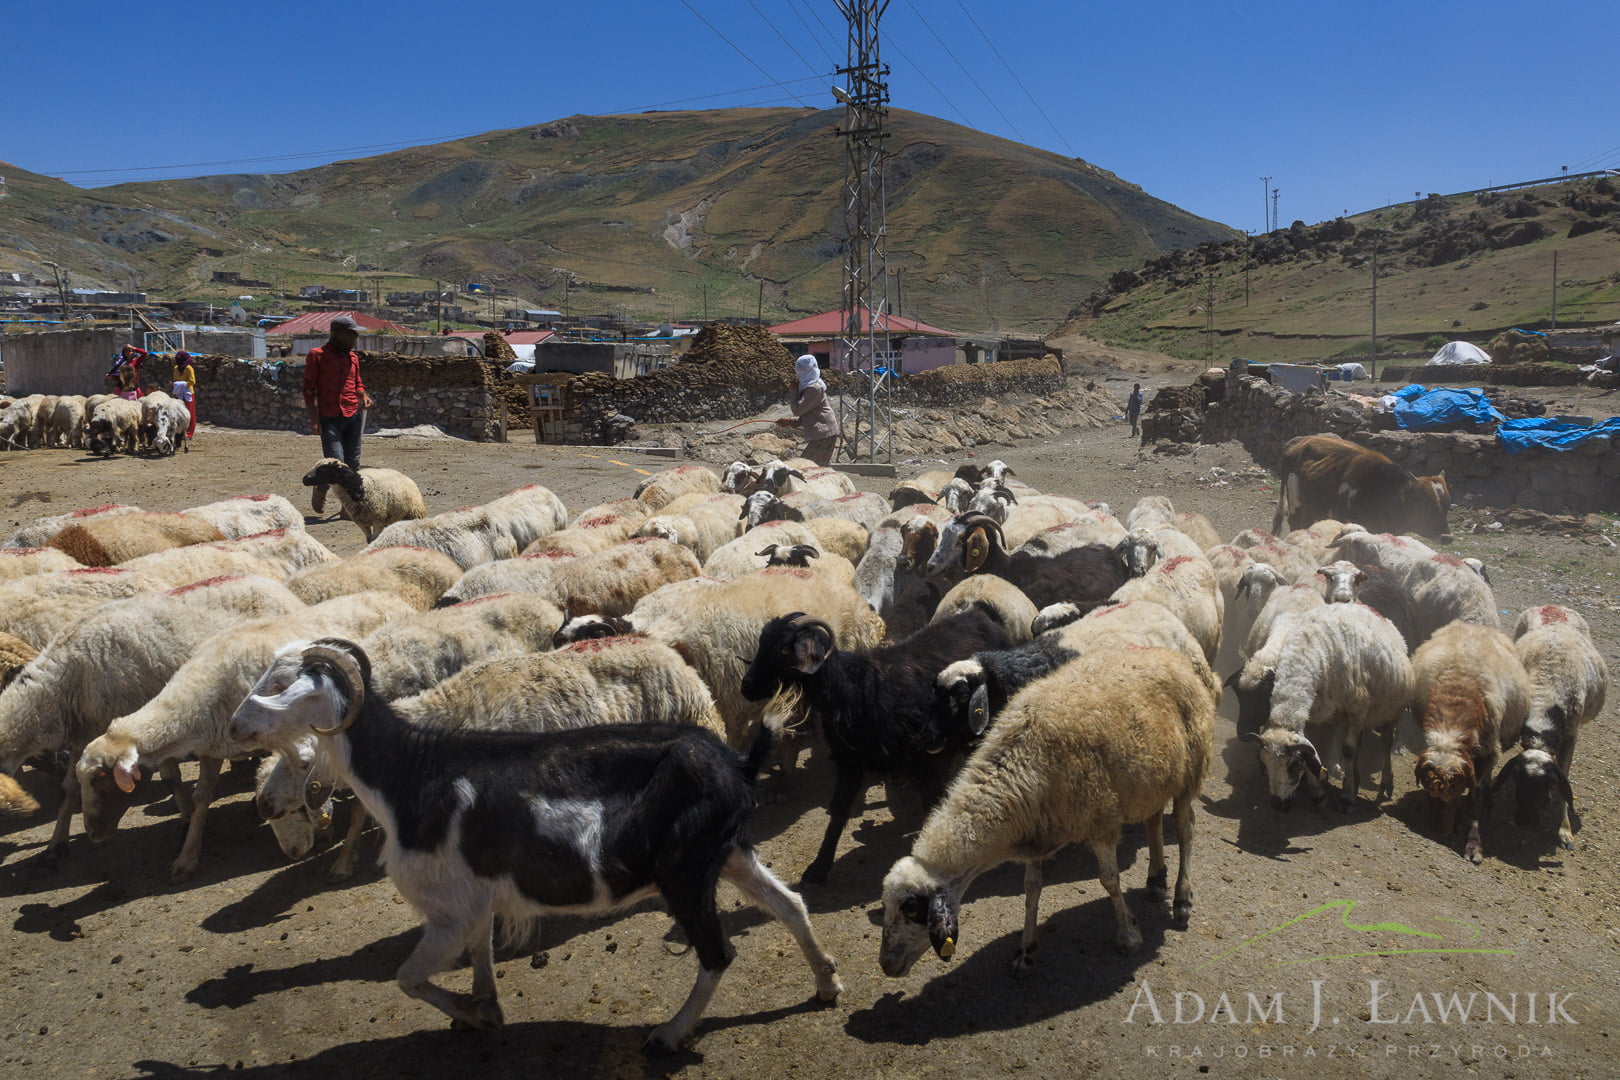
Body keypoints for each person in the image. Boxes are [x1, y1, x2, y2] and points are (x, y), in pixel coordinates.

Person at [302, 315, 373, 512]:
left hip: (352, 415)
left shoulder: (353, 358)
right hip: (329, 416)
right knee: (335, 462)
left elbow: (357, 383)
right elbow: (309, 389)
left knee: (353, 462)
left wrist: (363, 396)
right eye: (352, 333)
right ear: (338, 334)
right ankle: (321, 486)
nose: (355, 338)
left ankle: (346, 507)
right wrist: (314, 419)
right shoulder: (317, 356)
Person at [777, 354, 838, 466]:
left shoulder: (814, 388)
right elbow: (811, 413)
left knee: (807, 467)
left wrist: (793, 391)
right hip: (822, 433)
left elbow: (798, 410)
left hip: (824, 434)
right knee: (814, 468)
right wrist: (791, 422)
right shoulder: (809, 386)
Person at [171, 351, 198, 441]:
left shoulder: (189, 368)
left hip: (187, 393)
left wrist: (179, 384)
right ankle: (179, 432)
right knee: (178, 413)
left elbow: (192, 381)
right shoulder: (175, 368)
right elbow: (175, 379)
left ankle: (189, 433)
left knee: (189, 413)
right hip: (178, 393)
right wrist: (174, 384)